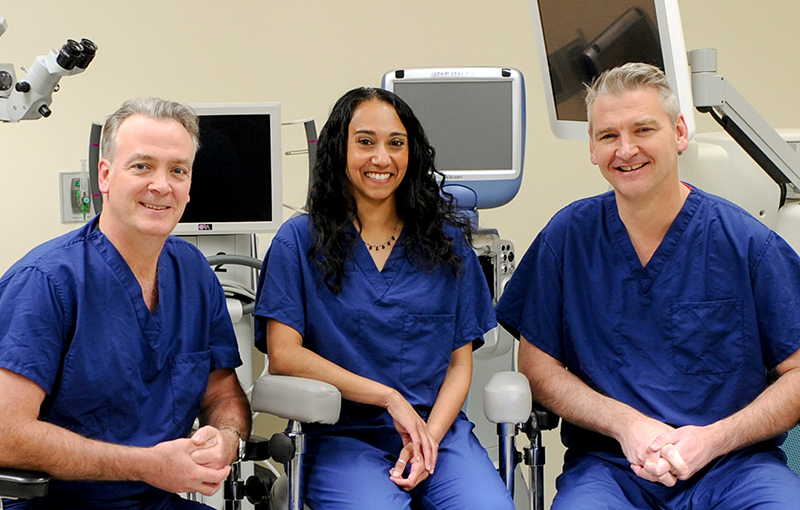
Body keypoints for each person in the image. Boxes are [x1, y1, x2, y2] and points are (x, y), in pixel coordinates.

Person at [496, 61, 800, 509]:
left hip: (735, 467)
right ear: (592, 150)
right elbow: (537, 368)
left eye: (643, 129)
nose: (626, 149)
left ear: (679, 133)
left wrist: (712, 440)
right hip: (611, 470)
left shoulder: (745, 244)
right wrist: (627, 425)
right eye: (608, 136)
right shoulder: (569, 238)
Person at [253, 87, 515, 510]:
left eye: (396, 143)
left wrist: (427, 438)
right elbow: (283, 355)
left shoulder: (444, 242)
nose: (382, 158)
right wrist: (388, 397)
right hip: (344, 437)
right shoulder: (298, 242)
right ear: (340, 148)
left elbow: (459, 362)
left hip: (437, 434)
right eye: (365, 141)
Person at [0, 97, 251, 509]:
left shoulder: (194, 273)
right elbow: (5, 432)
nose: (161, 185)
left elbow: (222, 392)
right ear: (105, 174)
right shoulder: (46, 283)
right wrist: (145, 465)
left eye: (178, 170)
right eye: (142, 166)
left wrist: (227, 438)